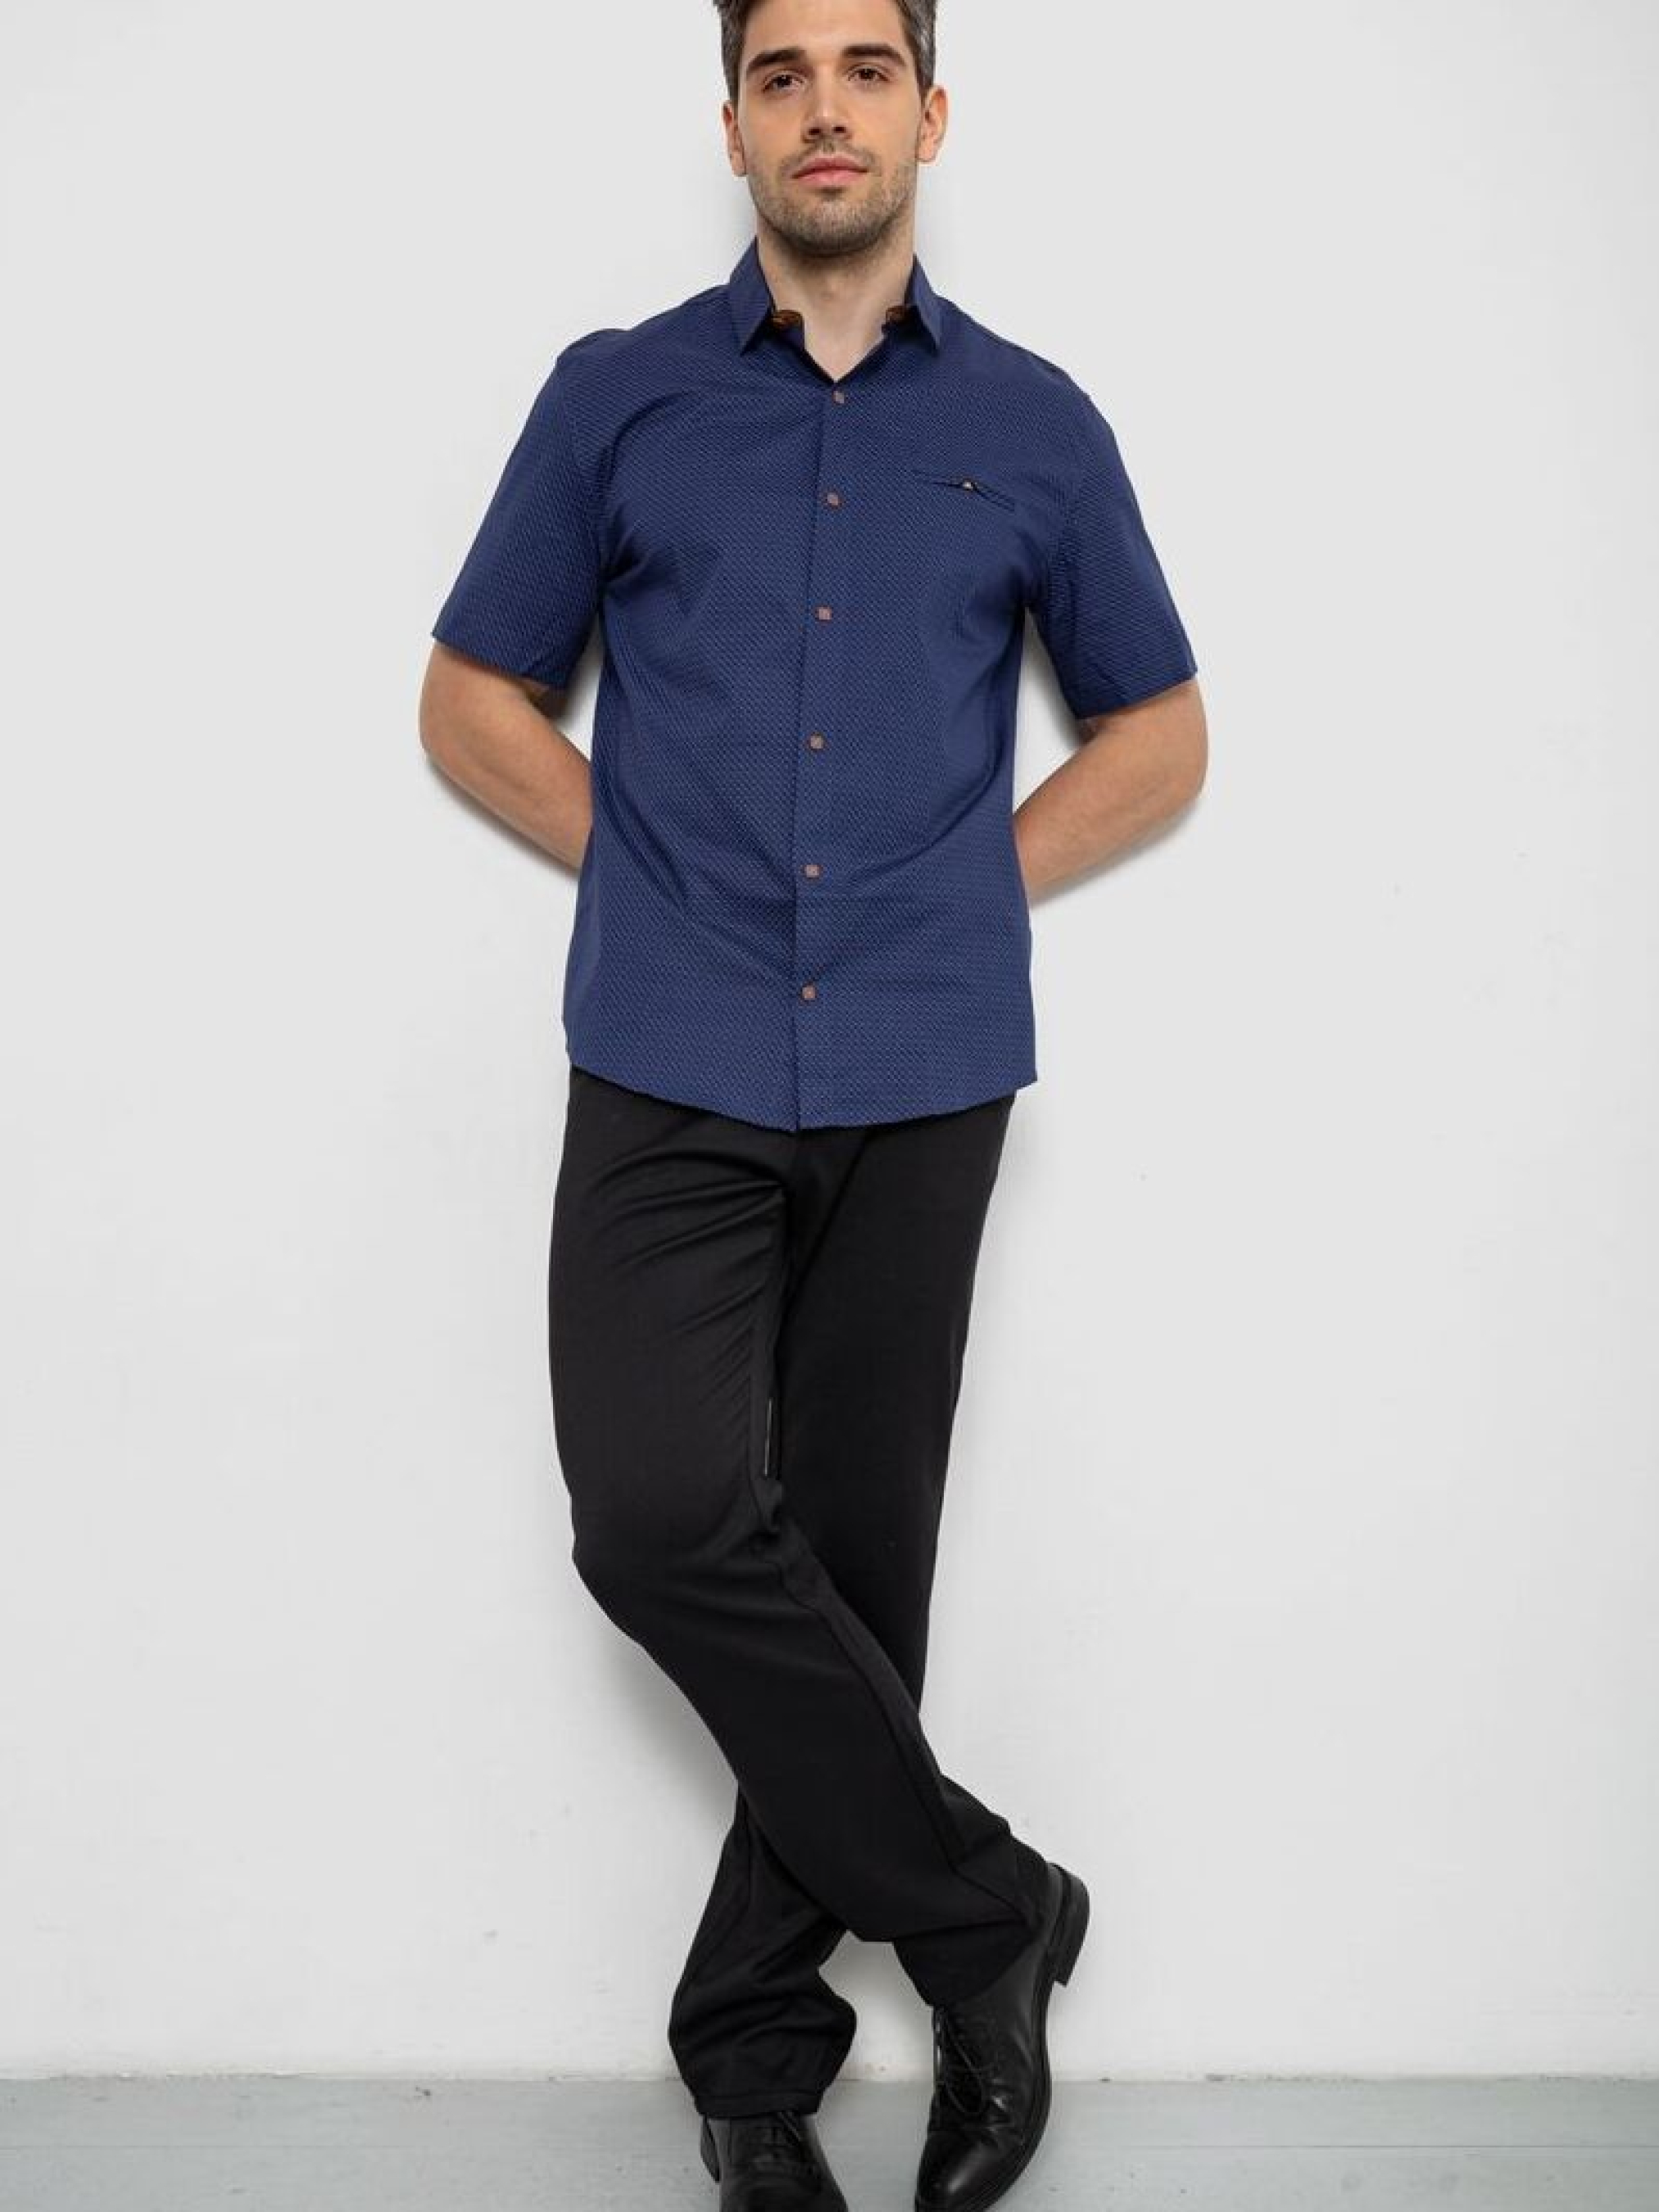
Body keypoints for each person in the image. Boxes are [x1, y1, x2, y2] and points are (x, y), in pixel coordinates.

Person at [419, 1, 1207, 2204]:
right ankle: (987, 1913)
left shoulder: (1035, 424)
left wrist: (954, 884)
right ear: (735, 121)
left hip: (925, 1062)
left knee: (857, 1563)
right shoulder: (619, 396)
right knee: (657, 1517)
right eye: (785, 74)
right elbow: (471, 695)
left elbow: (1157, 731)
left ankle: (753, 2055)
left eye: (867, 68)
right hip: (664, 1048)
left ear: (927, 112)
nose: (826, 108)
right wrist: (667, 876)